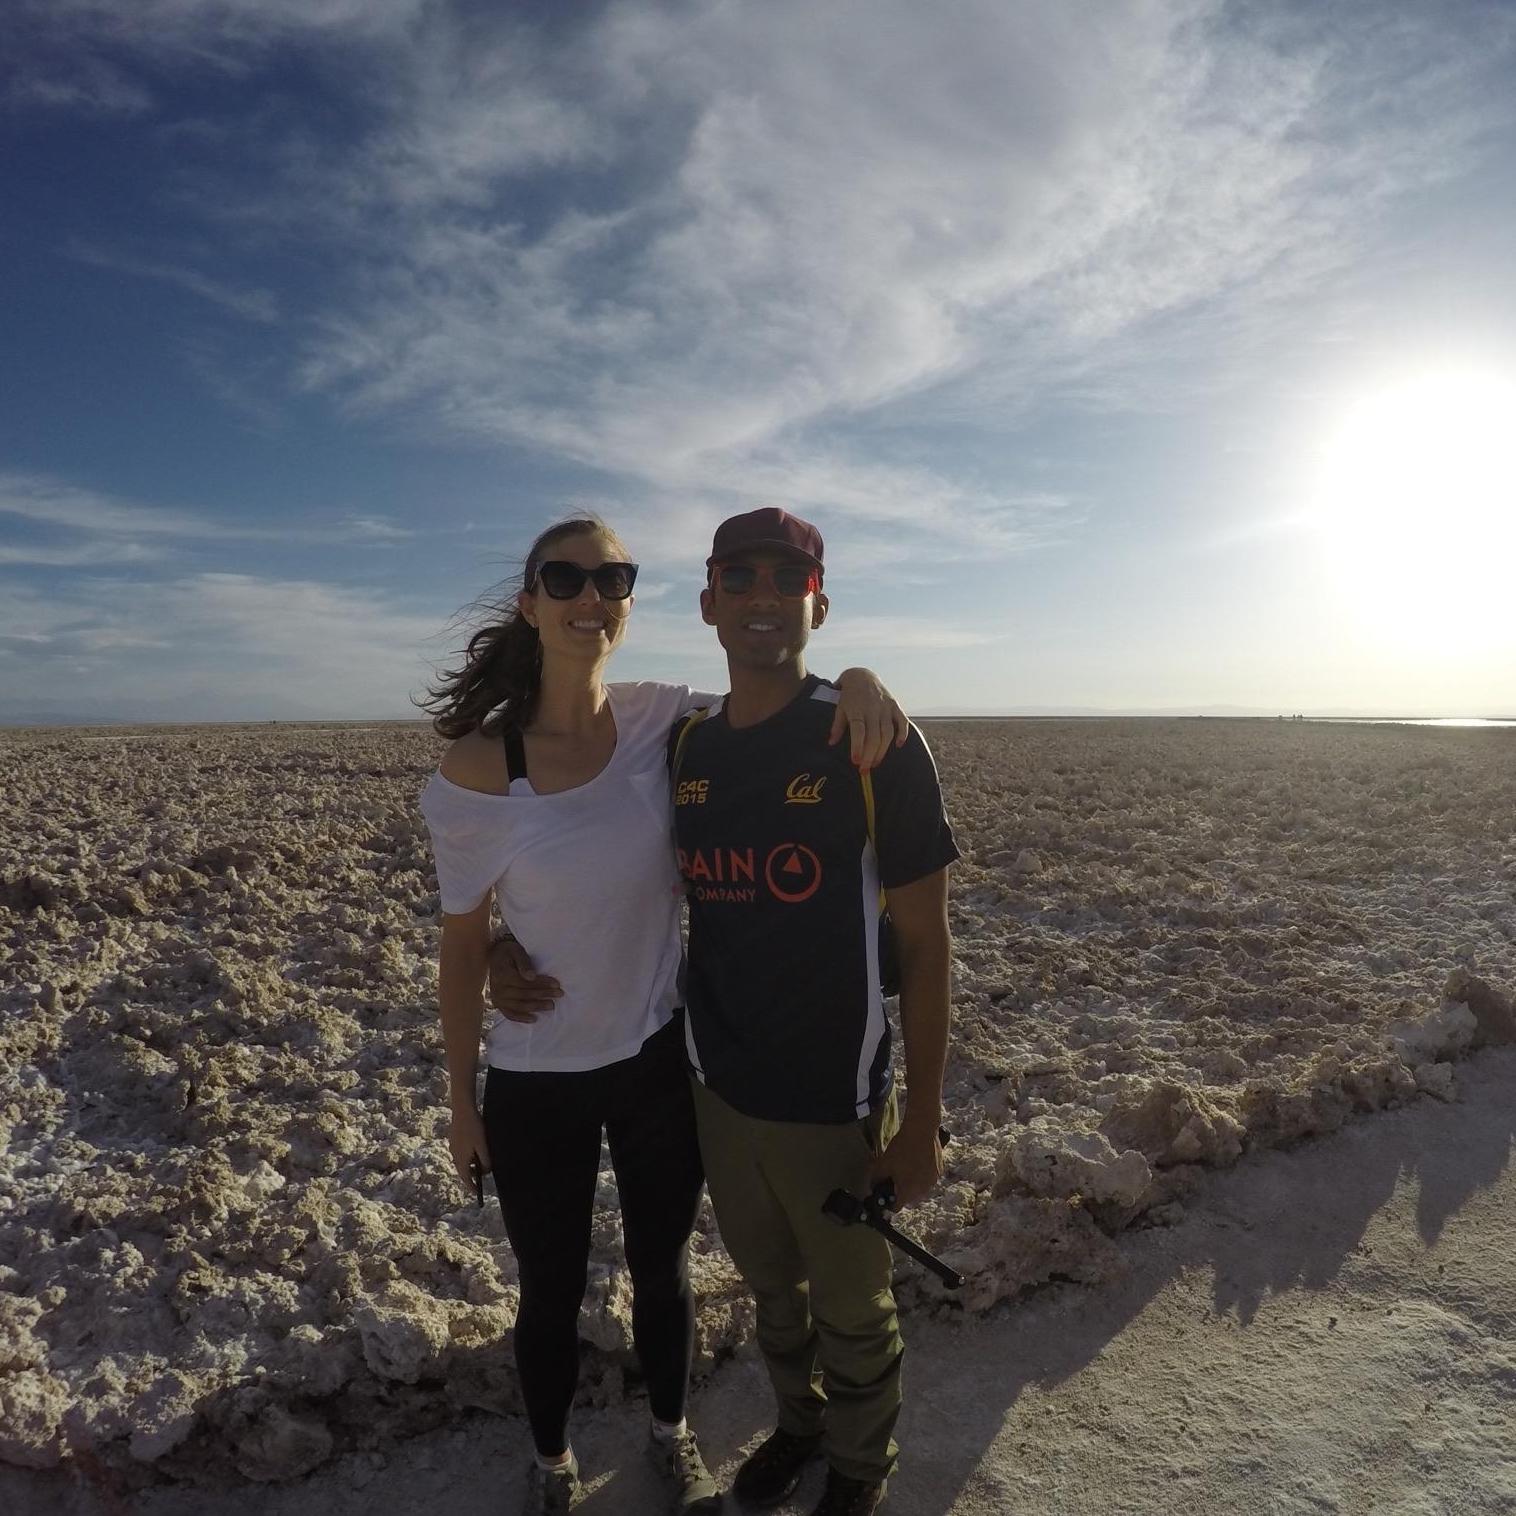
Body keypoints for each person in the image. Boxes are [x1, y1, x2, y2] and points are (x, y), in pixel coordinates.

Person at [416, 516, 907, 1516]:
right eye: (566, 578)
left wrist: (857, 675)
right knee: (547, 1289)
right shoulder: (476, 770)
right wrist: (461, 1104)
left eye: (612, 579)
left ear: (632, 602)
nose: (589, 597)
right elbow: (462, 944)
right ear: (530, 602)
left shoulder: (659, 721)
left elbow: (769, 698)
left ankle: (669, 1436)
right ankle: (550, 1463)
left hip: (651, 1062)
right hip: (534, 1078)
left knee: (664, 1269)